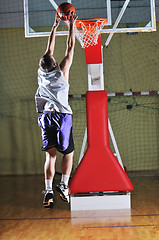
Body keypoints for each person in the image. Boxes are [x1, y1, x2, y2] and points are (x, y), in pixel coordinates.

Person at [35, 11, 77, 209]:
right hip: (61, 116)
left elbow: (48, 51)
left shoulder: (41, 74)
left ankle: (48, 189)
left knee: (50, 156)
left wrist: (54, 25)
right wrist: (70, 24)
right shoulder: (62, 72)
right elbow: (70, 47)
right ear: (55, 64)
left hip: (45, 116)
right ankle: (64, 185)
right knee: (68, 153)